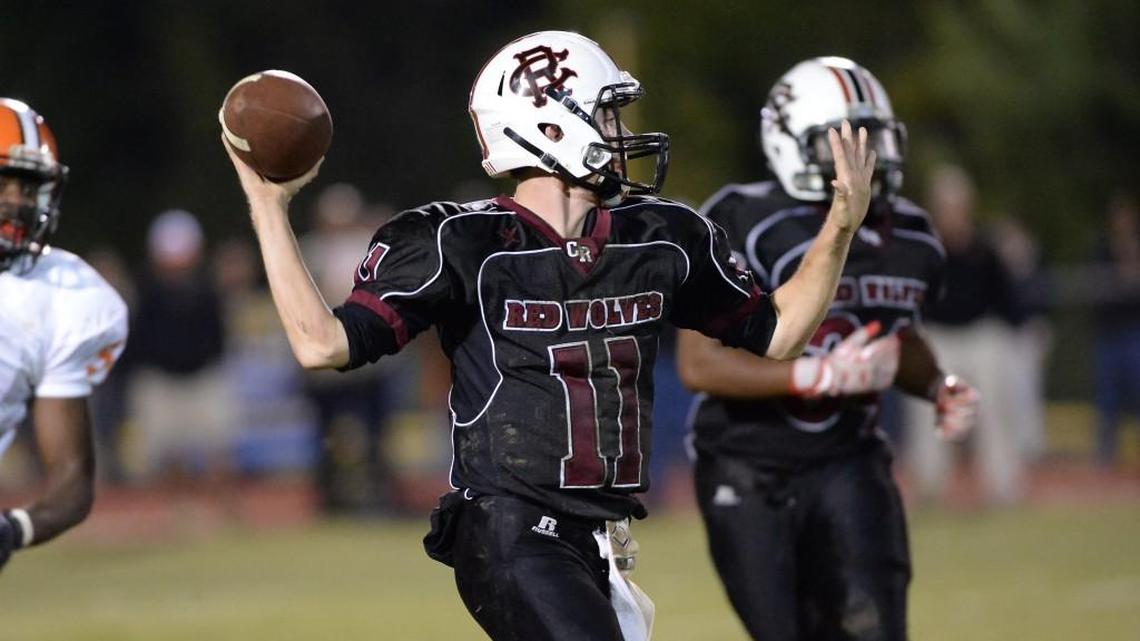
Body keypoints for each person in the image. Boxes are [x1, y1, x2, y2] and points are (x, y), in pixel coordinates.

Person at [222, 32, 876, 641]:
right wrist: (267, 205)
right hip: (507, 531)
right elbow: (322, 343)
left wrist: (840, 226)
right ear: (551, 122)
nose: (625, 133)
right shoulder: (461, 241)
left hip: (601, 539)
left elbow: (780, 330)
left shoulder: (660, 237)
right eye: (610, 114)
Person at [677, 58, 979, 641]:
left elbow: (900, 335)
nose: (868, 160)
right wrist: (810, 376)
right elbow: (698, 362)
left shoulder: (912, 234)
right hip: (748, 465)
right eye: (839, 143)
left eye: (873, 141)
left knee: (874, 627)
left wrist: (937, 384)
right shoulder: (742, 218)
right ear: (790, 144)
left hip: (849, 459)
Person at [0, 98, 129, 571]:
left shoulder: (66, 295)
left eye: (28, 186)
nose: (15, 200)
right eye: (4, 182)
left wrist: (13, 529)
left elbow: (71, 482)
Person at [905, 165, 1024, 505]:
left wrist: (1021, 330)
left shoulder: (985, 248)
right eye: (946, 205)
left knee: (994, 412)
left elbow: (1006, 298)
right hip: (939, 337)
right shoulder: (926, 249)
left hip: (981, 336)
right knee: (929, 411)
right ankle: (929, 486)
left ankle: (1003, 488)